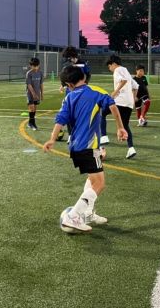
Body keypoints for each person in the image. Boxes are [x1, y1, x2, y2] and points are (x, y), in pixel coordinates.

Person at [43, 65, 128, 232]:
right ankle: (73, 216)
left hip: (75, 147)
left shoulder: (69, 97)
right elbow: (112, 105)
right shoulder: (95, 91)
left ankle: (88, 213)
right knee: (100, 184)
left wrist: (52, 139)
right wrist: (120, 127)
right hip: (88, 147)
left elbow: (60, 119)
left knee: (92, 178)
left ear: (70, 84)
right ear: (83, 77)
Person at [106, 54, 138, 159]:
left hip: (119, 101)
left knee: (101, 112)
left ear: (113, 64)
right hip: (128, 103)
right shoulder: (127, 72)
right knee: (124, 126)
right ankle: (131, 148)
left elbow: (123, 80)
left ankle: (103, 137)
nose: (110, 69)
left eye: (109, 66)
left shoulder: (117, 70)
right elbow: (135, 86)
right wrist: (133, 100)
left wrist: (115, 91)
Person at [26, 57, 44, 131]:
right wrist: (33, 94)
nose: (35, 67)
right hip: (30, 94)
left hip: (37, 94)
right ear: (31, 65)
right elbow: (29, 85)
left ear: (38, 65)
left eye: (37, 66)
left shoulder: (40, 73)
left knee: (35, 108)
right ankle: (33, 124)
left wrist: (42, 94)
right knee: (32, 108)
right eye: (34, 66)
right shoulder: (29, 73)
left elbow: (41, 84)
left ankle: (30, 123)